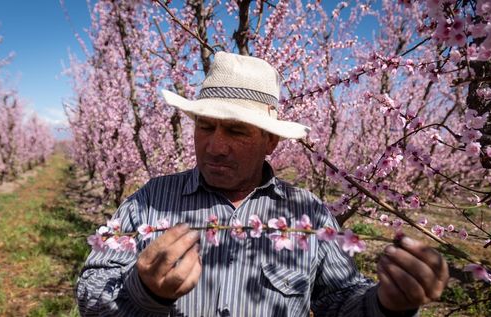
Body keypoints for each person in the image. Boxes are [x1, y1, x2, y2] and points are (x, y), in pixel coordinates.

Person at [76, 52, 449, 316]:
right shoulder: (150, 200)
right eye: (205, 127)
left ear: (271, 141)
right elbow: (91, 295)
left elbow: (341, 301)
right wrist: (144, 293)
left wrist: (388, 303)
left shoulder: (307, 214)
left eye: (236, 131)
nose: (215, 146)